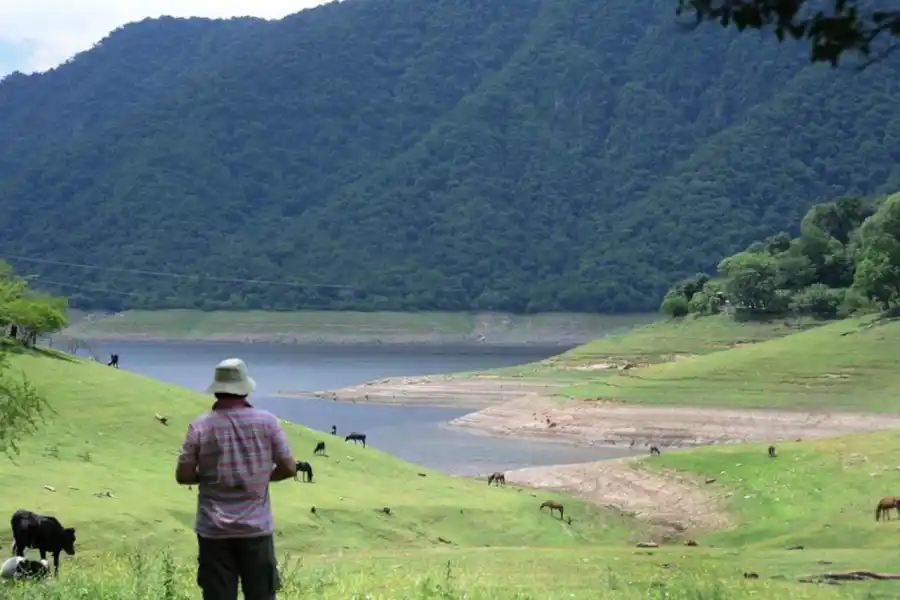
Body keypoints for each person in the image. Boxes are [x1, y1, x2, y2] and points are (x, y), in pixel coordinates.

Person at [176, 358, 297, 600]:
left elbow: (184, 475)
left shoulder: (199, 427)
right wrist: (263, 478)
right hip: (256, 528)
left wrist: (211, 477)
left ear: (217, 390)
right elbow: (289, 467)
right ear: (245, 389)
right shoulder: (267, 422)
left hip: (214, 530)